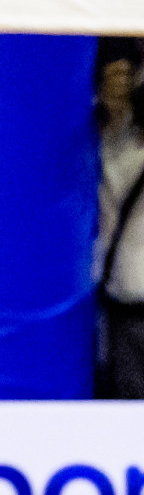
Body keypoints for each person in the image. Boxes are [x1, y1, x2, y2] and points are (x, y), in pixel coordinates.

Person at [95, 40, 144, 397]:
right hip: (113, 304)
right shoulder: (91, 143)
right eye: (112, 77)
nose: (119, 84)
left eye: (126, 76)